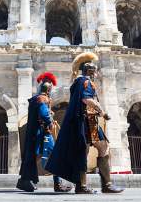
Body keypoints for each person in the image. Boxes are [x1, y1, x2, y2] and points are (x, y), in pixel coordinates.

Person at [46, 52, 123, 194]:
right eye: (94, 69)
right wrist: (102, 112)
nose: (96, 72)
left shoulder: (78, 82)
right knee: (87, 151)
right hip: (86, 121)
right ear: (89, 70)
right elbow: (87, 99)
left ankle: (101, 185)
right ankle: (88, 186)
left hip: (88, 121)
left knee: (99, 147)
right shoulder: (85, 82)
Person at [17, 72, 72, 193]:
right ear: (49, 89)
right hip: (43, 133)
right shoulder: (43, 99)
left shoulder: (37, 99)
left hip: (37, 133)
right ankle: (57, 184)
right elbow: (43, 114)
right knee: (54, 155)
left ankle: (24, 180)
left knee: (34, 156)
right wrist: (50, 121)